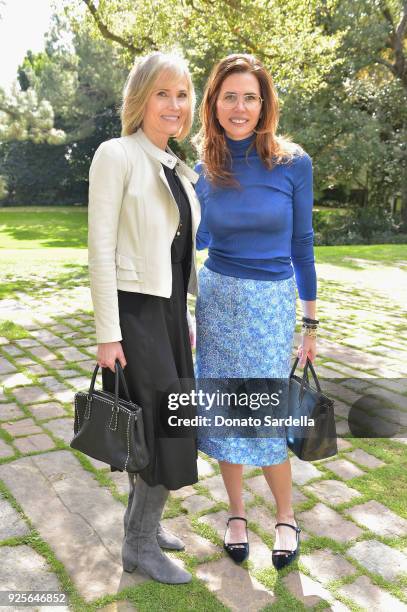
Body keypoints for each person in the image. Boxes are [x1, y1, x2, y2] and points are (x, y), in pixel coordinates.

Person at [194, 54, 318, 570]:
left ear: (264, 104)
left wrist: (310, 322)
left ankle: (285, 516)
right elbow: (191, 241)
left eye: (250, 97)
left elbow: (303, 244)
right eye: (230, 97)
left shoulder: (293, 164)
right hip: (218, 300)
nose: (239, 107)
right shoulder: (203, 168)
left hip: (271, 304)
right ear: (215, 104)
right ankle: (238, 514)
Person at [87, 51, 201, 584]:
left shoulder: (172, 163)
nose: (174, 105)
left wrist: (186, 316)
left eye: (182, 94)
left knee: (160, 421)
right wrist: (108, 333)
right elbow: (100, 250)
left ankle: (145, 524)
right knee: (160, 428)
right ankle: (138, 544)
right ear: (141, 98)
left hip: (169, 314)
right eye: (163, 93)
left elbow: (179, 255)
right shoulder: (118, 155)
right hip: (135, 315)